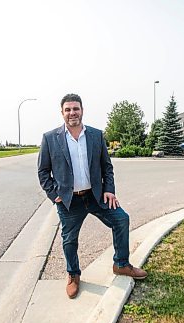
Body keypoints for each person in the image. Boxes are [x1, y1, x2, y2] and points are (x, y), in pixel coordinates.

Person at [37, 93, 147, 299]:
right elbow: (43, 172)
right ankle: (73, 274)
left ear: (82, 110)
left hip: (96, 196)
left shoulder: (96, 135)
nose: (72, 113)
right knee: (69, 239)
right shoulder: (50, 138)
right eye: (68, 109)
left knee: (121, 219)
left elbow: (107, 166)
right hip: (69, 201)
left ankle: (121, 264)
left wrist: (109, 190)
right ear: (62, 113)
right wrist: (54, 195)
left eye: (75, 108)